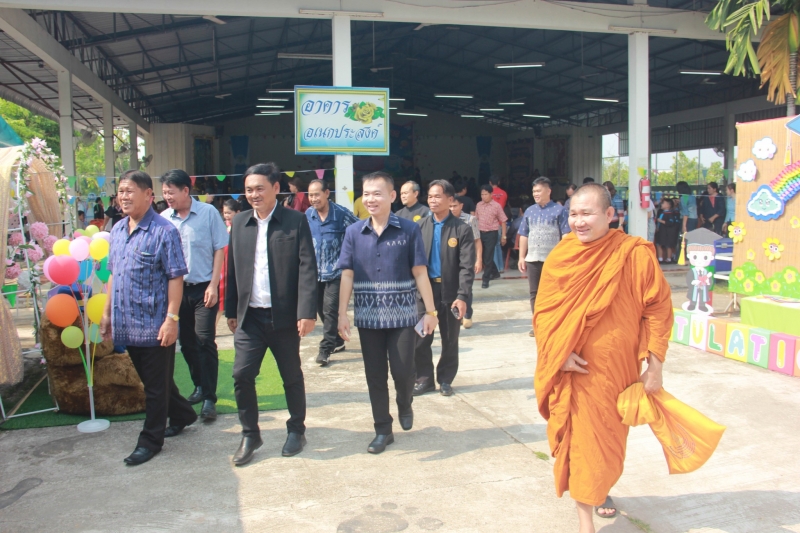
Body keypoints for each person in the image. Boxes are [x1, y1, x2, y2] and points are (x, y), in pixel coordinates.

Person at [533, 183, 673, 533]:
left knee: (607, 445)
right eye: (573, 214)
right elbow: (544, 312)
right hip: (577, 372)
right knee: (582, 444)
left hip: (617, 371)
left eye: (587, 213)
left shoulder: (633, 254)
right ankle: (586, 523)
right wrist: (559, 353)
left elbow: (658, 309)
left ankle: (600, 489)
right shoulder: (562, 256)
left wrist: (655, 366)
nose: (578, 221)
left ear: (610, 214)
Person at [99, 170, 197, 466]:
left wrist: (171, 319)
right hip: (126, 322)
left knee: (154, 389)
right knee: (155, 381)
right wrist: (106, 312)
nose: (124, 197)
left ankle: (150, 441)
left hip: (155, 324)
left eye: (130, 191)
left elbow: (175, 277)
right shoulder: (117, 229)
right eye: (121, 191)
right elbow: (113, 274)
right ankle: (182, 413)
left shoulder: (164, 231)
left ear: (148, 196)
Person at [337, 171, 438, 454]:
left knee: (404, 371)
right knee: (375, 375)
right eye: (366, 194)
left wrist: (431, 312)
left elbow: (420, 272)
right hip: (368, 318)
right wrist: (342, 314)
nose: (370, 199)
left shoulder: (408, 230)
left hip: (403, 316)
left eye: (377, 193)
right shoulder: (353, 232)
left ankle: (405, 402)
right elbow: (347, 275)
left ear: (392, 196)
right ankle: (383, 429)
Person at [226, 162, 318, 465]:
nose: (254, 194)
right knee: (241, 374)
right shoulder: (240, 222)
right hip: (250, 317)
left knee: (291, 375)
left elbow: (307, 268)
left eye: (259, 189)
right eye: (249, 190)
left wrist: (306, 312)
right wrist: (231, 309)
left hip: (284, 317)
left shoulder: (295, 221)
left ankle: (296, 430)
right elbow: (232, 268)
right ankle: (250, 434)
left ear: (276, 188)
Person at [161, 169, 229, 423]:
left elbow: (219, 249)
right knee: (187, 343)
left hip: (203, 289)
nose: (167, 197)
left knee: (204, 340)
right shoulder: (164, 219)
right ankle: (199, 385)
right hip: (177, 291)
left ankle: (210, 398)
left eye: (171, 192)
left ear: (186, 191)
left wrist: (213, 285)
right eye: (164, 193)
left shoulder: (208, 213)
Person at [413, 180, 475, 397]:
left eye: (437, 196)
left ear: (450, 200)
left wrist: (462, 295)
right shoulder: (419, 227)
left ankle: (446, 379)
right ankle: (424, 379)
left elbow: (467, 267)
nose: (432, 200)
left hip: (451, 293)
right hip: (425, 292)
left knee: (450, 339)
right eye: (430, 196)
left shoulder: (462, 229)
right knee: (420, 338)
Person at [305, 178, 359, 367]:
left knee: (330, 310)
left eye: (316, 194)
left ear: (327, 193)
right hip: (315, 273)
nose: (313, 199)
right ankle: (337, 340)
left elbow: (359, 229)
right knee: (321, 310)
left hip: (336, 272)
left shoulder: (341, 214)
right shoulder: (308, 215)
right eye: (310, 195)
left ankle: (325, 349)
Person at [517, 177, 570, 338]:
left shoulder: (560, 210)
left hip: (552, 260)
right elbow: (524, 235)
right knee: (534, 293)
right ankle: (538, 324)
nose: (535, 194)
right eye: (534, 191)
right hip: (533, 259)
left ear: (548, 191)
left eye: (539, 191)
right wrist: (521, 257)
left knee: (553, 293)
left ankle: (553, 324)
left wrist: (563, 257)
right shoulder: (529, 211)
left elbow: (566, 235)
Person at [450, 195, 482, 329]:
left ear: (461, 206)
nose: (452, 209)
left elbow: (477, 241)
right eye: (450, 206)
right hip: (450, 259)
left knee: (466, 286)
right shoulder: (445, 219)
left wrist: (478, 260)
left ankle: (468, 315)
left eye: (455, 206)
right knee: (452, 288)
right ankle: (456, 314)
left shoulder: (470, 219)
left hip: (467, 259)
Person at [475, 184, 507, 289]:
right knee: (484, 256)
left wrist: (503, 236)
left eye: (486, 194)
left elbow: (503, 221)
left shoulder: (496, 206)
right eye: (482, 194)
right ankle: (495, 272)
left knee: (488, 256)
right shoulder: (479, 205)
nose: (483, 196)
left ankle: (485, 279)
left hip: (492, 233)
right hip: (480, 233)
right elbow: (476, 219)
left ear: (491, 194)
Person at [217, 199, 241, 327]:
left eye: (229, 213)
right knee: (221, 296)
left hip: (235, 264)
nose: (226, 215)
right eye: (225, 213)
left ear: (237, 212)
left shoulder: (242, 227)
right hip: (223, 264)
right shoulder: (222, 227)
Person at [655, 198, 681, 263]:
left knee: (668, 245)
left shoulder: (670, 214)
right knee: (659, 244)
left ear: (668, 205)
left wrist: (661, 221)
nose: (661, 204)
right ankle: (660, 258)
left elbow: (671, 223)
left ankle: (669, 259)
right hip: (661, 231)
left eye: (663, 203)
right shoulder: (661, 212)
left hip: (668, 232)